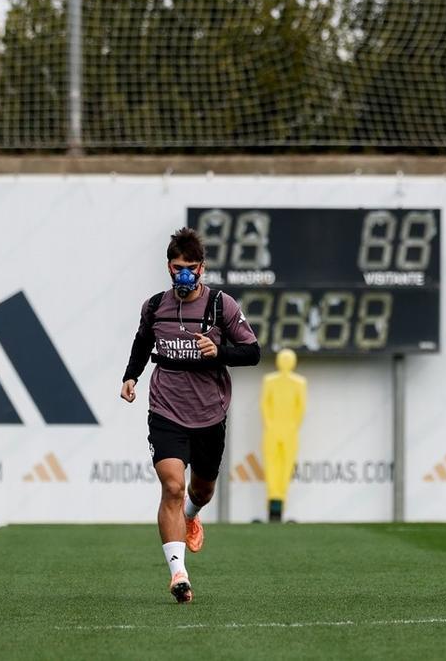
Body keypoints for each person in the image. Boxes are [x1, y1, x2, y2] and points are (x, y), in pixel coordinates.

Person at [120, 227, 260, 604]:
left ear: (202, 267)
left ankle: (192, 515)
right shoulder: (155, 306)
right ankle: (178, 574)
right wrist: (131, 376)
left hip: (209, 413)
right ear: (169, 266)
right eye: (178, 267)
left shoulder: (221, 306)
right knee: (171, 486)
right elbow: (142, 342)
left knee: (201, 490)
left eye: (191, 267)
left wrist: (220, 352)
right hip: (165, 409)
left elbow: (253, 352)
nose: (184, 274)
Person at [260, 348, 307, 522]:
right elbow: (265, 404)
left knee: (284, 470)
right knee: (273, 469)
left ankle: (278, 505)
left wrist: (293, 425)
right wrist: (270, 424)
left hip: (286, 432)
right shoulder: (269, 381)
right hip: (276, 431)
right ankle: (274, 505)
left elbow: (300, 407)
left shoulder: (299, 383)